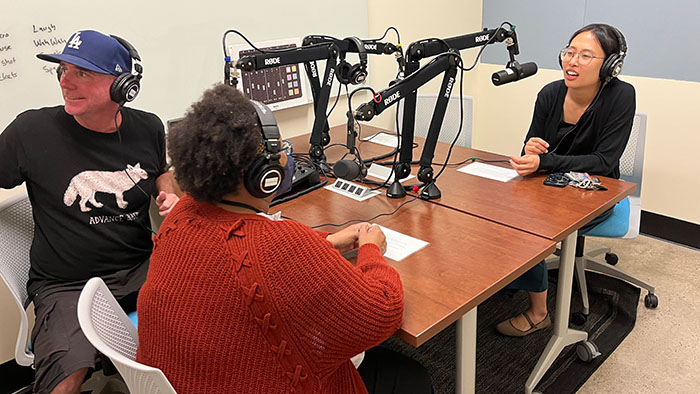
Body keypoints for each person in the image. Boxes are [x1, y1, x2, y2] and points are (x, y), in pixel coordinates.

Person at [136, 84, 432, 394]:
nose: (285, 159)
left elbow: (253, 264)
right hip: (256, 378)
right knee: (412, 377)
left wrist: (327, 243)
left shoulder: (181, 214)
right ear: (263, 174)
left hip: (187, 376)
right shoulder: (277, 245)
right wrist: (372, 250)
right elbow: (382, 312)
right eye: (280, 150)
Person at [0, 30, 179, 393]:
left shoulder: (147, 126)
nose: (66, 82)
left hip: (143, 267)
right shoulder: (30, 131)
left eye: (82, 73)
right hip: (67, 284)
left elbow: (160, 171)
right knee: (63, 379)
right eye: (63, 70)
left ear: (123, 85)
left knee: (214, 326)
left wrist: (168, 194)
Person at [498, 23, 636, 337]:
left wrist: (544, 161)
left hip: (595, 192)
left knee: (531, 228)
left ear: (611, 66)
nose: (571, 61)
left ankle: (539, 312)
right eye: (569, 52)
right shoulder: (549, 93)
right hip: (549, 185)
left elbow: (604, 162)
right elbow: (533, 149)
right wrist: (531, 149)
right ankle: (509, 282)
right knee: (501, 214)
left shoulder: (621, 96)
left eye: (585, 56)